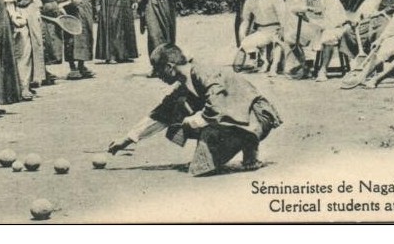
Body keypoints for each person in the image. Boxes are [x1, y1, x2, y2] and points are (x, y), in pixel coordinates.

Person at [107, 44, 282, 176]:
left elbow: (218, 105)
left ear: (169, 66)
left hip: (257, 117)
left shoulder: (203, 72)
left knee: (200, 164)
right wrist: (127, 139)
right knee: (179, 121)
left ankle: (249, 145)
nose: (158, 76)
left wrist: (194, 120)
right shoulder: (184, 84)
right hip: (236, 118)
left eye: (159, 71)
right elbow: (160, 114)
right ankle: (242, 144)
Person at [0, 0, 45, 101]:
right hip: (18, 9)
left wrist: (38, 10)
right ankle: (20, 86)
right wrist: (13, 14)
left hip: (31, 8)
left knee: (35, 46)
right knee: (22, 49)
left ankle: (30, 83)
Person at [286, 0, 347, 82]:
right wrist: (308, 8)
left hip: (336, 27)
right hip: (317, 28)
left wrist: (309, 19)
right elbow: (293, 9)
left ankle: (323, 70)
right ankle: (305, 67)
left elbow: (330, 23)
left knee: (328, 36)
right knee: (290, 36)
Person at [234, 0, 287, 74]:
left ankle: (274, 66)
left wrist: (282, 29)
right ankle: (263, 62)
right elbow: (246, 20)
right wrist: (242, 33)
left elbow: (283, 16)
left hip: (277, 29)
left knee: (277, 41)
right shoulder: (249, 1)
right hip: (262, 31)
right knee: (246, 42)